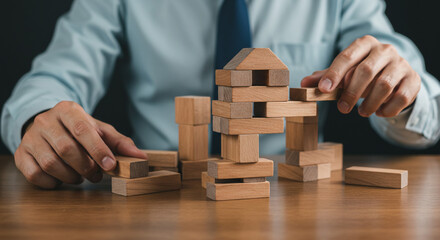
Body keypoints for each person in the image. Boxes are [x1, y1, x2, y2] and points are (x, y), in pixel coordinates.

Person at [2, 0, 439, 189]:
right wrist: (40, 117)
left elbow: (427, 108)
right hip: (169, 194)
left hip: (290, 200)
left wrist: (403, 92)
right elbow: (50, 80)